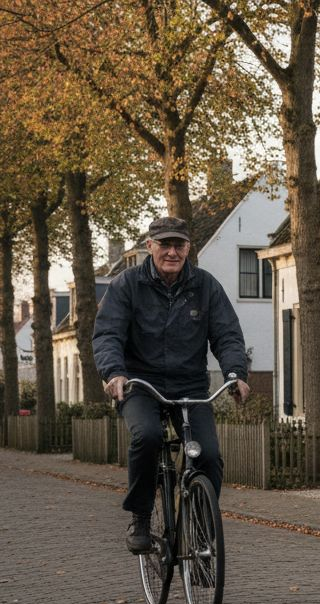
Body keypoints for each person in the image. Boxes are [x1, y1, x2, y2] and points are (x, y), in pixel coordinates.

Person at [93, 216, 251, 554]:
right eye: (165, 244)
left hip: (190, 386)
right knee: (147, 436)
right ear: (149, 246)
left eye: (179, 245)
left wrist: (235, 374)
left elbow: (227, 335)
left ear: (188, 248)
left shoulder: (206, 286)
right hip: (139, 384)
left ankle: (200, 530)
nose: (172, 251)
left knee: (208, 454)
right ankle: (141, 516)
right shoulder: (126, 285)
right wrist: (114, 373)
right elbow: (107, 334)